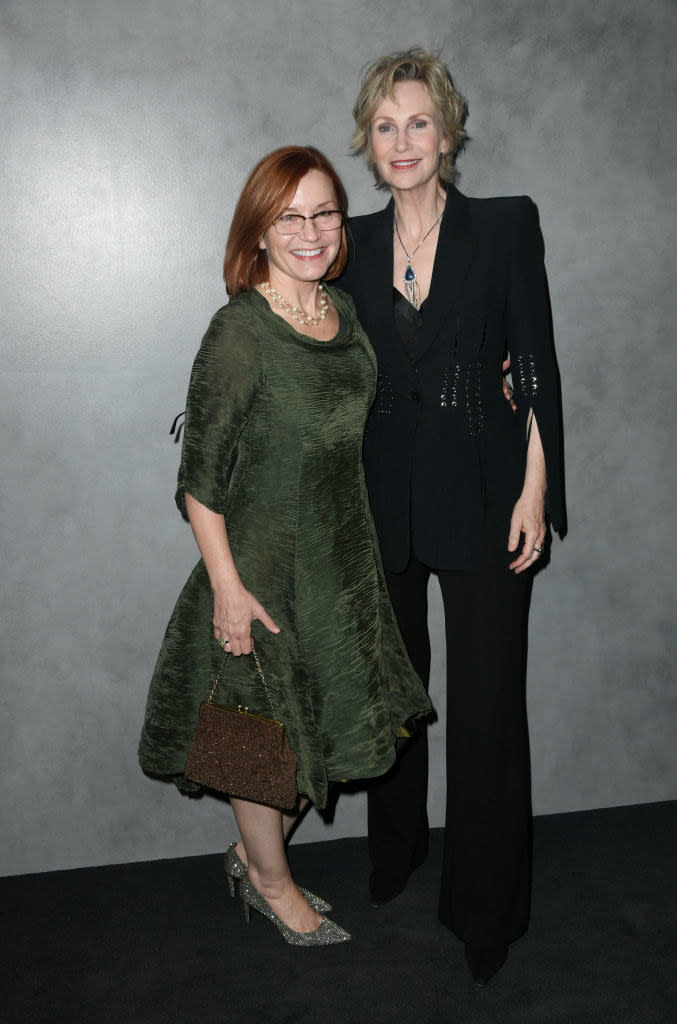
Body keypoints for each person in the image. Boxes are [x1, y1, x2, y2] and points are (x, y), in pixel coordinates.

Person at [138, 145, 432, 947]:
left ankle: (249, 856)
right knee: (261, 745)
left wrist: (501, 376)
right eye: (289, 215)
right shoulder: (239, 330)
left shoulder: (343, 310)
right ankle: (271, 883)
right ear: (259, 230)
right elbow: (199, 480)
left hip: (340, 564)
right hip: (261, 568)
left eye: (325, 212)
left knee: (323, 727)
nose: (310, 230)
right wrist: (227, 590)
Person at [337, 49, 564, 984]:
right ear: (367, 138)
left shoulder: (504, 227)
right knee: (394, 698)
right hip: (379, 503)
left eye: (418, 122)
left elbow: (538, 363)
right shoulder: (343, 243)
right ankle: (395, 853)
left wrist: (536, 491)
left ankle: (486, 909)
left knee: (484, 710)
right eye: (385, 125)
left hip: (485, 498)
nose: (402, 141)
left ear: (448, 131)